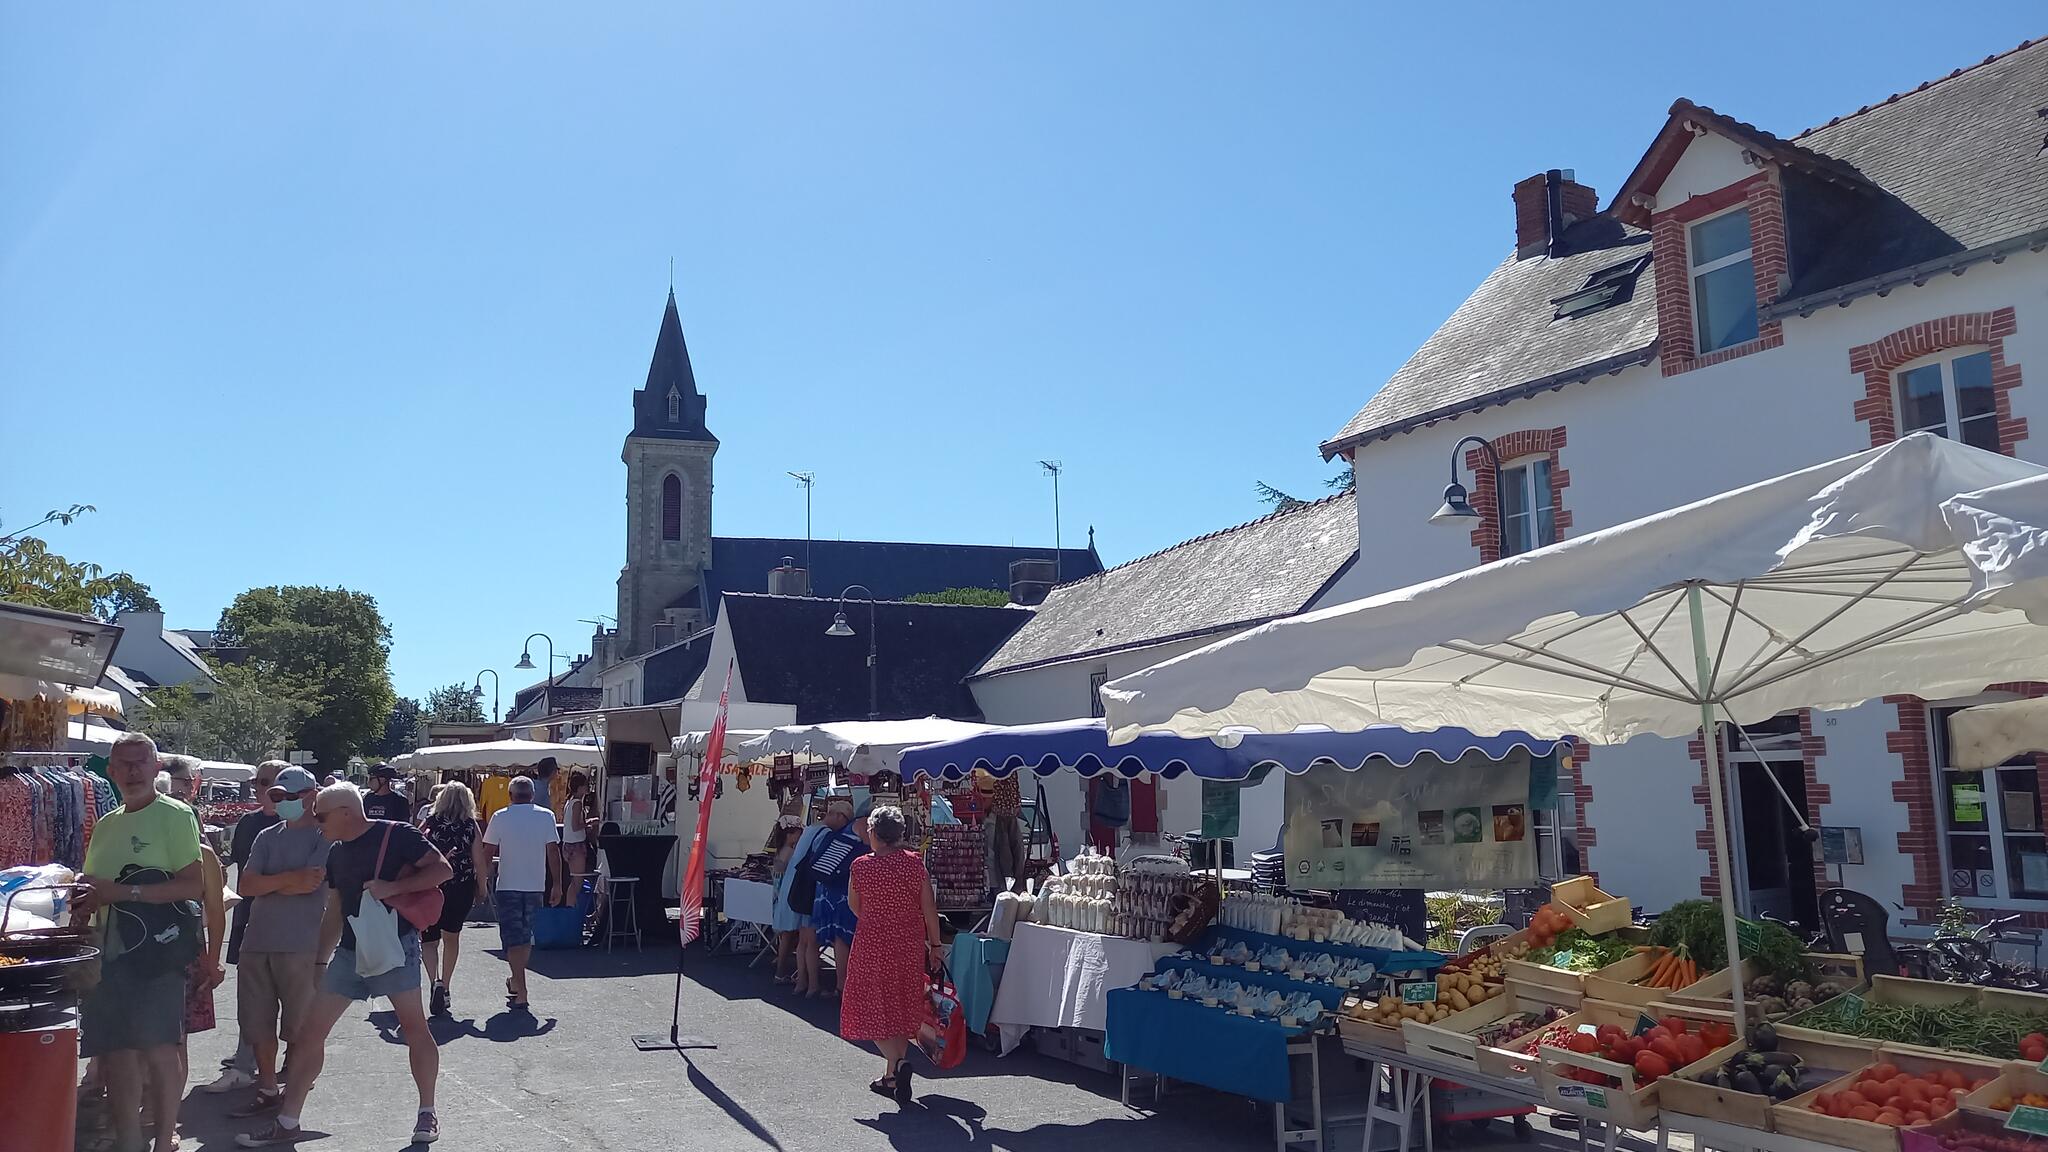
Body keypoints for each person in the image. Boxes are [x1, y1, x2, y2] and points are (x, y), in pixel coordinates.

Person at [238, 783, 452, 1148]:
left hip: (394, 947)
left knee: (414, 1028)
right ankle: (288, 1121)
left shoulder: (397, 833)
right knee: (309, 1034)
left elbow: (442, 871)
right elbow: (335, 908)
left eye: (321, 815)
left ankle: (427, 1111)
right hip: (350, 953)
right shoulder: (336, 852)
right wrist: (321, 957)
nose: (316, 822)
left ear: (345, 813)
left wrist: (392, 888)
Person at [77, 733, 205, 1152]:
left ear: (155, 769)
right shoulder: (106, 824)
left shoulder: (175, 814)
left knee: (159, 1048)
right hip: (109, 952)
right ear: (110, 772)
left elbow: (193, 886)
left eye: (140, 763)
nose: (132, 771)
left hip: (158, 952)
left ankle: (165, 1137)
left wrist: (123, 893)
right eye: (123, 764)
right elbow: (99, 889)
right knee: (117, 1050)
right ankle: (130, 1140)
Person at [225, 767, 330, 1119]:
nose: (282, 802)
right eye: (278, 796)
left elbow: (311, 883)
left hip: (301, 943)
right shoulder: (267, 835)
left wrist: (271, 882)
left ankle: (294, 1095)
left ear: (311, 795)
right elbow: (247, 885)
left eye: (290, 797)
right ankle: (268, 1087)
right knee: (257, 1022)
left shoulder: (324, 837)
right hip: (257, 940)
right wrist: (289, 879)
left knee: (300, 1026)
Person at [841, 805, 944, 1108]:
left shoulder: (861, 866)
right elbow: (929, 908)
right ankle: (891, 1076)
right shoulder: (914, 864)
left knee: (869, 1006)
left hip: (873, 942)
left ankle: (897, 1064)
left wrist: (877, 918)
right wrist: (935, 945)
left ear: (874, 833)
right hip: (908, 942)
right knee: (899, 1005)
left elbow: (854, 905)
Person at [204, 759, 286, 1095]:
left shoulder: (302, 825)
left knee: (291, 1000)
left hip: (291, 927)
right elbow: (237, 871)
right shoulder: (249, 822)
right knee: (252, 997)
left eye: (264, 783)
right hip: (250, 918)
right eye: (257, 783)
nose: (259, 789)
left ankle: (286, 1063)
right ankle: (245, 1060)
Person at [476, 774, 561, 1012]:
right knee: (525, 936)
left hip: (508, 885)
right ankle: (517, 981)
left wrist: (482, 881)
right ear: (532, 795)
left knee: (514, 938)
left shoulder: (500, 817)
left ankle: (520, 988)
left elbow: (487, 852)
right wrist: (557, 885)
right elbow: (553, 852)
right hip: (535, 885)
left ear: (510, 796)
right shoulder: (546, 817)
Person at [420, 781, 482, 1018]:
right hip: (461, 886)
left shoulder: (430, 822)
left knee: (429, 939)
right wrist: (482, 886)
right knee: (452, 937)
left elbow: (416, 848)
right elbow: (479, 860)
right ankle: (445, 986)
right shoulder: (470, 825)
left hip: (430, 885)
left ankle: (433, 979)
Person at [797, 799, 865, 999]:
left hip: (826, 892)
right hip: (840, 892)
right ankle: (837, 985)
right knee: (842, 939)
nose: (825, 817)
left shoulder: (824, 832)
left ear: (840, 816)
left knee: (823, 940)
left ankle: (814, 984)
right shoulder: (838, 831)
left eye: (829, 813)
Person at [768, 815, 816, 985]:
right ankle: (781, 972)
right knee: (788, 935)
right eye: (798, 833)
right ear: (790, 834)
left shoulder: (782, 849)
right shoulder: (790, 851)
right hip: (786, 896)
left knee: (786, 935)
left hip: (780, 896)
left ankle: (782, 970)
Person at [558, 771, 593, 905]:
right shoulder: (577, 803)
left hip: (568, 843)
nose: (587, 788)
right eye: (585, 785)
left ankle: (571, 907)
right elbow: (575, 826)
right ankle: (571, 908)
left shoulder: (569, 802)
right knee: (577, 881)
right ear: (579, 787)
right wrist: (589, 823)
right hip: (576, 845)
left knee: (574, 880)